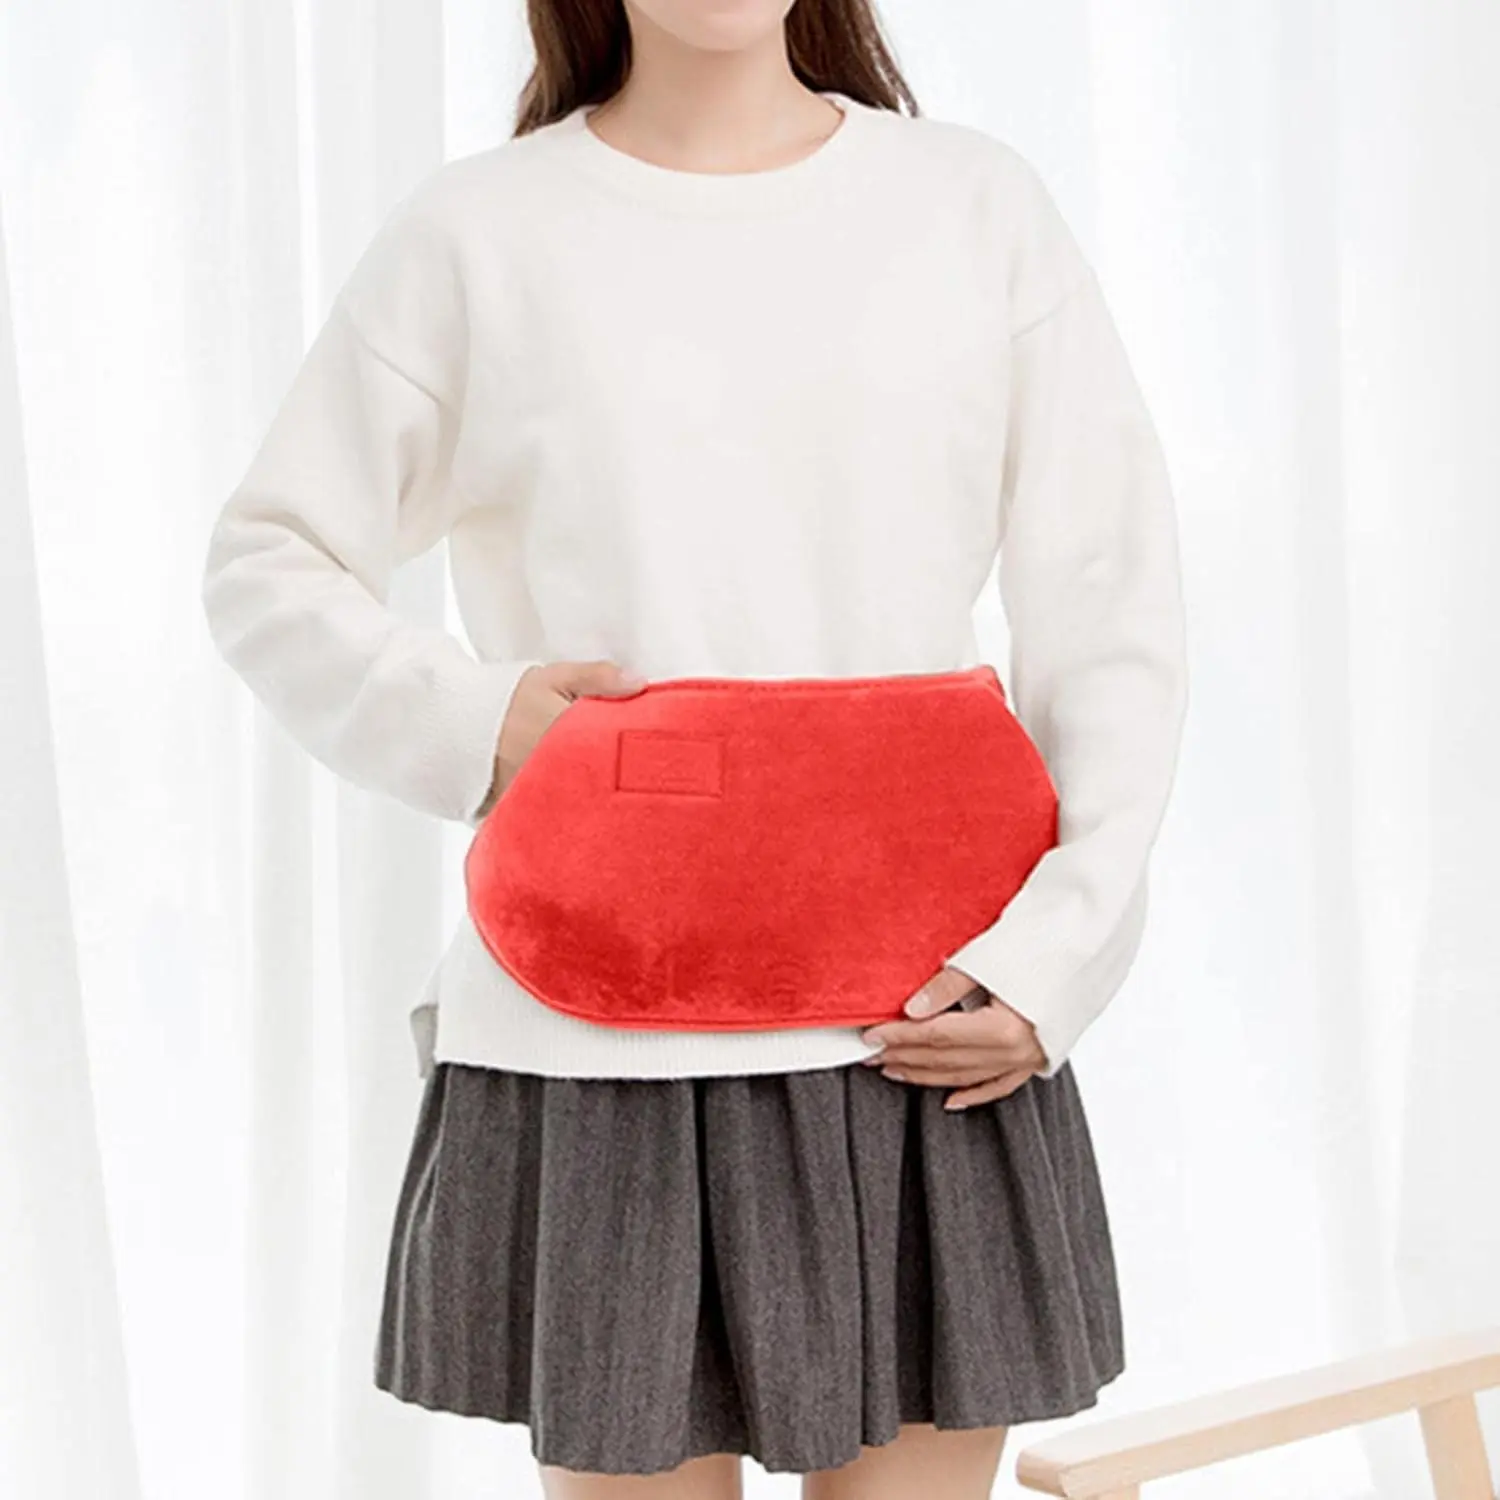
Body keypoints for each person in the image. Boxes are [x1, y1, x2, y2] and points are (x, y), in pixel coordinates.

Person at [199, 1, 1189, 1495]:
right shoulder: (481, 234)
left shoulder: (973, 208)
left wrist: (1059, 955)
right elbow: (269, 560)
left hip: (925, 1021)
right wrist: (482, 721)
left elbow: (1110, 597)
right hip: (601, 1035)